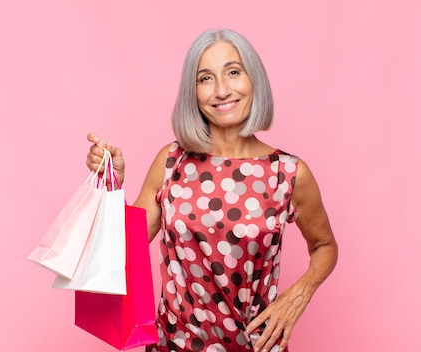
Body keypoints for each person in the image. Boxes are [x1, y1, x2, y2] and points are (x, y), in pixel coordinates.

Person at [85, 28, 338, 352]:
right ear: (193, 91)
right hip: (174, 345)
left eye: (233, 72)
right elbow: (123, 249)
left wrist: (301, 291)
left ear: (253, 80)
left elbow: (325, 245)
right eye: (205, 78)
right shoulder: (171, 162)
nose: (221, 90)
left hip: (255, 346)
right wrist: (111, 184)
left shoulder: (287, 173)